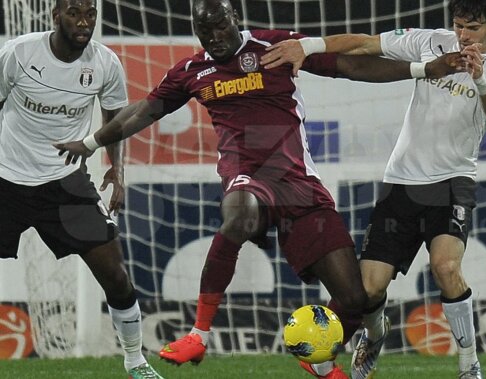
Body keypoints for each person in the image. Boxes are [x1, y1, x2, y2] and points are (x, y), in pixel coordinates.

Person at [53, 0, 462, 378]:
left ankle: (319, 359)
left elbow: (350, 67)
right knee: (239, 215)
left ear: (235, 19)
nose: (212, 37)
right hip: (246, 172)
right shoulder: (192, 72)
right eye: (203, 30)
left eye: (218, 26)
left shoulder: (274, 46)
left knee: (354, 299)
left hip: (299, 185)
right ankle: (199, 334)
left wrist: (424, 69)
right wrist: (90, 143)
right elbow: (143, 111)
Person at [261, 1, 486, 378]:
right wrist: (310, 46)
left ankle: (468, 364)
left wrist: (479, 78)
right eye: (459, 25)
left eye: (473, 28)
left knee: (445, 268)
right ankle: (376, 333)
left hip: (452, 183)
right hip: (402, 182)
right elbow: (365, 44)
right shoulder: (430, 42)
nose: (463, 36)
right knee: (368, 290)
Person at [0, 1, 163, 378]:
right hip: (7, 180)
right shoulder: (18, 53)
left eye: (90, 13)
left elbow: (115, 121)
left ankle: (136, 361)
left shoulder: (105, 63)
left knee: (115, 274)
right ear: (56, 16)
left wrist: (117, 171)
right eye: (74, 12)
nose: (84, 21)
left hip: (65, 183)